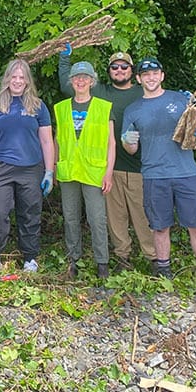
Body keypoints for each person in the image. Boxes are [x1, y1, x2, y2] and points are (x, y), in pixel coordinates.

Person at [120, 57, 196, 294]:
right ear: (139, 79)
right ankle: (164, 277)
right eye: (146, 74)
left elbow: (195, 128)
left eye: (155, 73)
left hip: (186, 173)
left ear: (162, 76)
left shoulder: (180, 99)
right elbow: (131, 149)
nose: (151, 78)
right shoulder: (133, 110)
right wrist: (127, 141)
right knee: (160, 228)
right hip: (153, 175)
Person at [60, 47, 155, 272]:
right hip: (105, 168)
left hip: (137, 166)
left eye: (124, 66)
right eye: (114, 67)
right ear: (109, 71)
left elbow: (160, 100)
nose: (119, 70)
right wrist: (64, 58)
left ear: (132, 71)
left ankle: (155, 260)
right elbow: (69, 84)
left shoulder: (143, 92)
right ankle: (122, 260)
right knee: (115, 220)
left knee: (142, 216)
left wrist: (182, 102)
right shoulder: (101, 92)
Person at [0, 59, 55, 273]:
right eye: (14, 77)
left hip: (31, 168)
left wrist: (49, 171)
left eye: (22, 77)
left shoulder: (38, 106)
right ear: (7, 79)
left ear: (28, 80)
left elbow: (47, 141)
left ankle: (30, 257)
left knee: (30, 213)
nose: (18, 81)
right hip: (0, 167)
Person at [53, 61, 115, 279]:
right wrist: (54, 166)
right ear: (71, 81)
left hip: (94, 171)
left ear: (92, 81)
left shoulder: (103, 107)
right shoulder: (61, 108)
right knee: (70, 218)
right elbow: (57, 139)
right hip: (68, 170)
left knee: (97, 219)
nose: (81, 81)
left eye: (85, 77)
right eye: (77, 77)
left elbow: (111, 142)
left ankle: (102, 263)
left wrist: (108, 172)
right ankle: (73, 260)